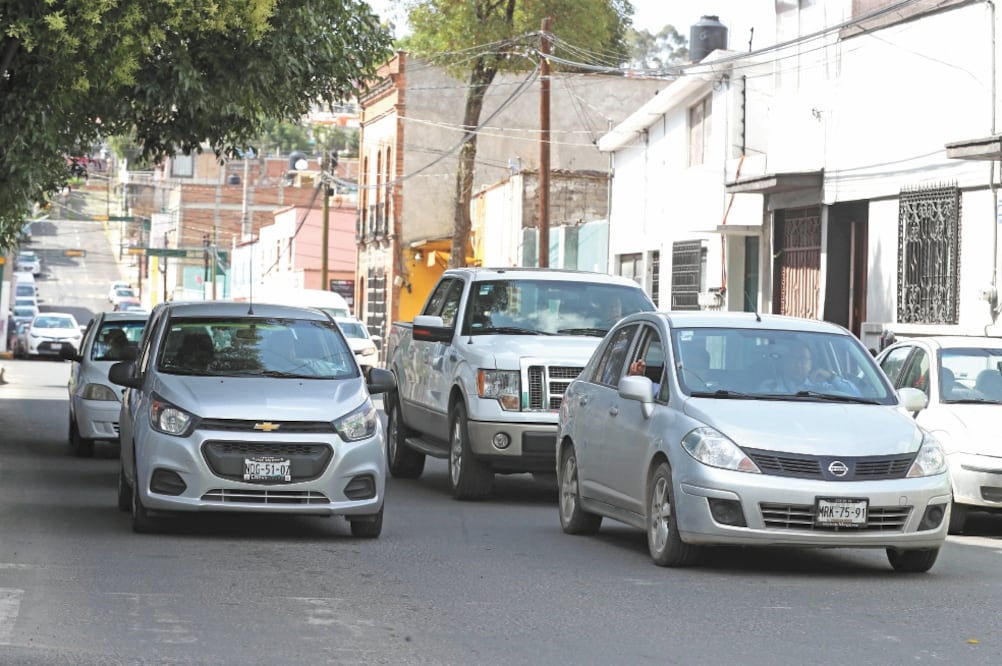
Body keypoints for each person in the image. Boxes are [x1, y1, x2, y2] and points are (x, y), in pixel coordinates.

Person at [760, 340, 859, 395]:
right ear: (785, 363)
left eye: (803, 359)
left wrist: (831, 377)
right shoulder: (771, 387)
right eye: (793, 359)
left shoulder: (824, 385)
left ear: (811, 363)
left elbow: (857, 395)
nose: (798, 364)